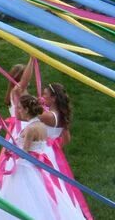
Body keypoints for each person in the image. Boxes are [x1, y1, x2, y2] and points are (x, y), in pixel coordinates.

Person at [0, 94, 86, 220]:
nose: (18, 111)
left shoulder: (30, 129)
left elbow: (24, 153)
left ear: (27, 110)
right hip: (37, 167)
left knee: (18, 196)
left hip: (24, 167)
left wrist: (10, 151)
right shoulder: (42, 126)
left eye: (20, 108)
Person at [39, 82, 92, 219]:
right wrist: (53, 144)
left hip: (41, 153)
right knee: (54, 185)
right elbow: (67, 138)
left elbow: (28, 115)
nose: (42, 96)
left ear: (53, 98)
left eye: (45, 94)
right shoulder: (59, 115)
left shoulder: (49, 116)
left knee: (44, 184)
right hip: (49, 153)